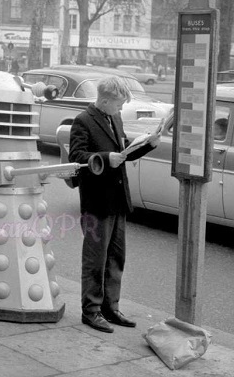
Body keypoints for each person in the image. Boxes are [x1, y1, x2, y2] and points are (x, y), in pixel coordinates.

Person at [68, 76, 160, 333]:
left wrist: (147, 146)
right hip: (97, 202)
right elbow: (77, 158)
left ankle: (111, 307)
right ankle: (92, 311)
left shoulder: (114, 118)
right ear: (105, 100)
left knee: (116, 258)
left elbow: (123, 154)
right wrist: (106, 158)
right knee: (95, 260)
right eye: (118, 105)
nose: (120, 110)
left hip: (118, 201)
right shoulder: (83, 121)